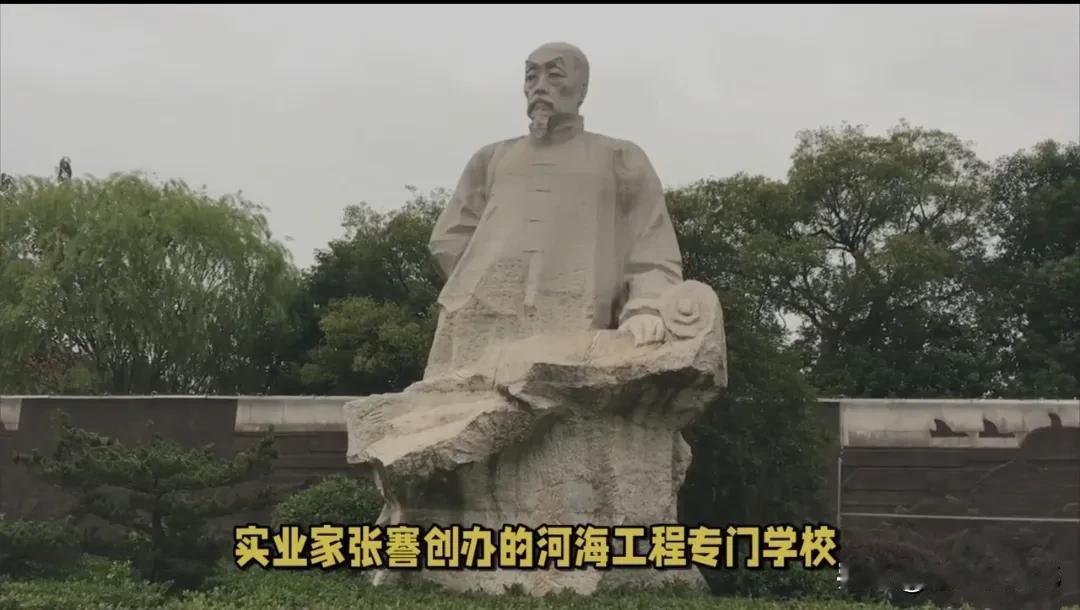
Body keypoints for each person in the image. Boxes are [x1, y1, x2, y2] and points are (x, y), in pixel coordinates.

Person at [425, 42, 683, 378]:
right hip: (478, 327)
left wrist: (644, 307)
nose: (539, 84)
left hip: (578, 321)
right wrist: (484, 284)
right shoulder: (491, 158)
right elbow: (448, 238)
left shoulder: (619, 157)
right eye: (531, 75)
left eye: (554, 73)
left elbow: (652, 246)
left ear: (582, 88)